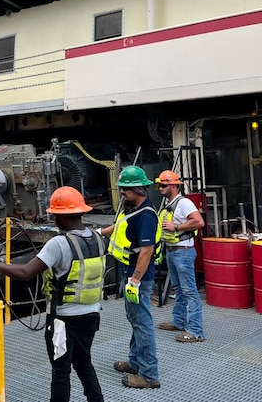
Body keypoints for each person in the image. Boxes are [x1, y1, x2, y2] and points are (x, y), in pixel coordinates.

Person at [0, 186, 104, 402]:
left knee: (60, 371)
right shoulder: (97, 239)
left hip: (63, 320)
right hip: (91, 315)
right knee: (84, 362)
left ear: (61, 218)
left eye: (55, 216)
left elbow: (25, 272)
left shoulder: (59, 244)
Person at [100, 165, 161, 389]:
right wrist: (98, 233)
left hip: (139, 278)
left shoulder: (146, 215)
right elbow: (120, 226)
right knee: (136, 320)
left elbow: (146, 251)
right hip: (133, 274)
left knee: (142, 322)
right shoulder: (136, 209)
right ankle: (136, 362)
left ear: (137, 189)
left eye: (125, 189)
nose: (122, 193)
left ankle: (149, 375)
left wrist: (134, 280)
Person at [155, 169, 206, 343]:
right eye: (159, 185)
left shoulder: (183, 203)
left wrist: (176, 228)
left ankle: (196, 331)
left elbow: (199, 222)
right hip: (172, 251)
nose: (160, 188)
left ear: (174, 186)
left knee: (189, 291)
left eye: (163, 185)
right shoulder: (170, 203)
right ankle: (179, 321)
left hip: (182, 252)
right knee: (179, 289)